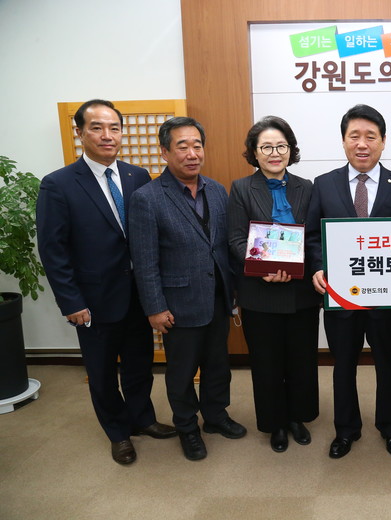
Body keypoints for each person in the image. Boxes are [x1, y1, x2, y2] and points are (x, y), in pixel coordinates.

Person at [36, 99, 175, 465]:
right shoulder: (58, 184)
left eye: (114, 127)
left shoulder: (137, 176)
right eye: (96, 127)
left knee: (139, 365)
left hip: (139, 295)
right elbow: (53, 250)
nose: (107, 135)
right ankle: (117, 432)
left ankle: (142, 418)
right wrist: (71, 302)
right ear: (80, 132)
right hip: (93, 300)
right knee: (101, 372)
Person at [129, 117, 247, 461]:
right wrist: (155, 307)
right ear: (165, 152)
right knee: (181, 372)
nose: (192, 154)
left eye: (197, 145)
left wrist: (234, 288)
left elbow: (224, 246)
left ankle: (216, 416)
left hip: (218, 297)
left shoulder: (217, 190)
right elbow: (145, 260)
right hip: (177, 303)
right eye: (182, 146)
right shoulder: (147, 198)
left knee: (218, 365)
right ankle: (187, 427)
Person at [305, 104, 391, 459]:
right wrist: (318, 267)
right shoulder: (323, 184)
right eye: (354, 136)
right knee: (343, 366)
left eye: (371, 136)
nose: (362, 144)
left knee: (388, 363)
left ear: (383, 141)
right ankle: (346, 430)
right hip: (340, 297)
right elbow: (312, 236)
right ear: (343, 141)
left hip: (386, 299)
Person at [227, 116, 321, 453]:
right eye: (266, 147)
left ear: (291, 150)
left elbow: (313, 236)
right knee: (267, 363)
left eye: (281, 146)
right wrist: (261, 268)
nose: (274, 153)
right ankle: (275, 423)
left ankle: (297, 417)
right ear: (254, 152)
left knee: (301, 360)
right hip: (260, 291)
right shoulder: (241, 188)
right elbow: (236, 239)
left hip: (301, 292)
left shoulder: (307, 187)